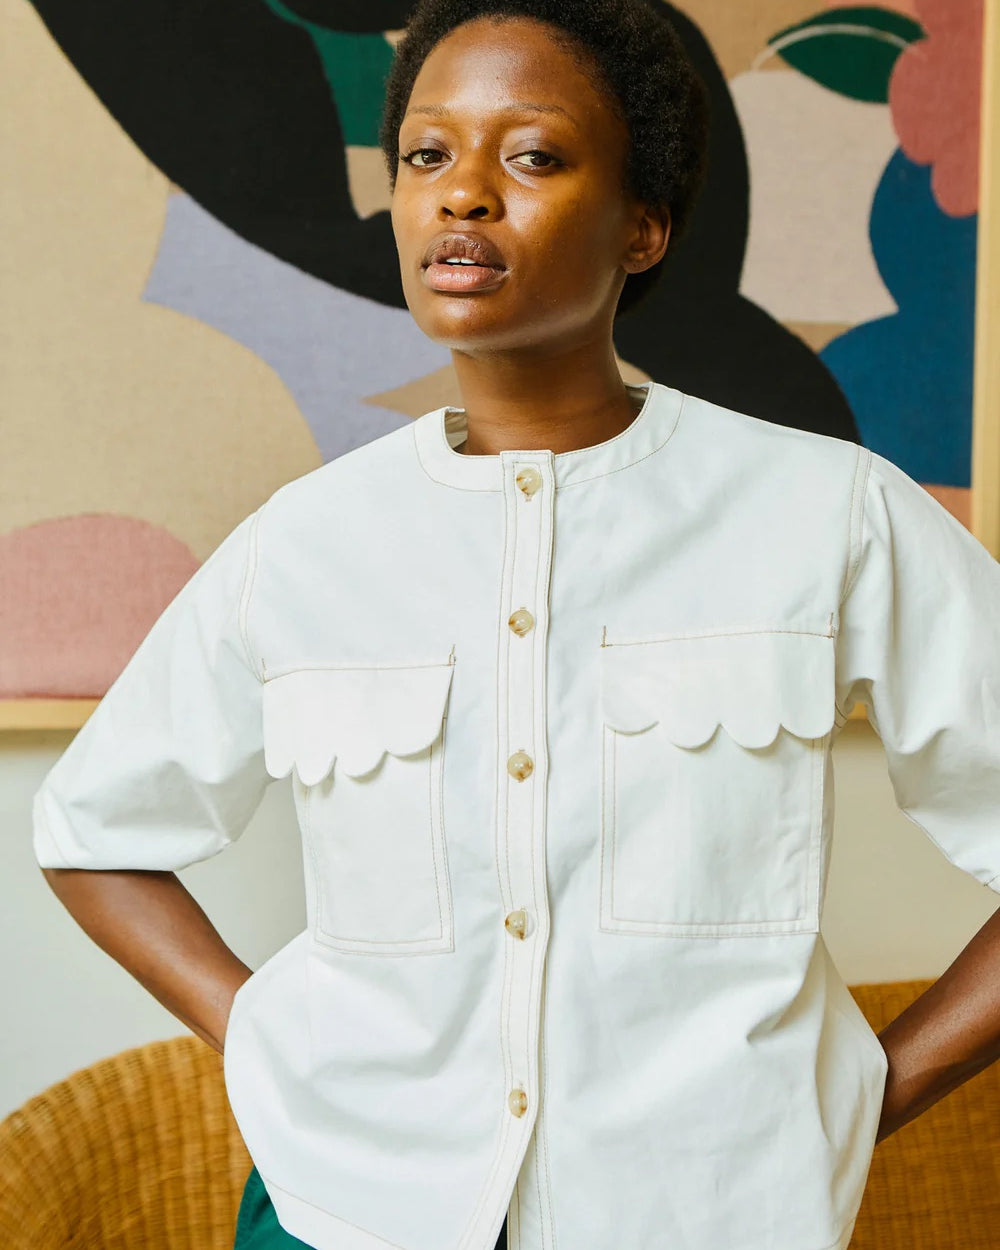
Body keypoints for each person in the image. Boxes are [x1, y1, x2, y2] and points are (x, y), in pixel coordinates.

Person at [32, 1, 1000, 1249]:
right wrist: (269, 1039)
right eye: (428, 156)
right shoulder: (304, 540)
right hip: (347, 1215)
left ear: (642, 226)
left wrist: (868, 1089)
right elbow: (92, 831)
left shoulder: (832, 512)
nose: (463, 197)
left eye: (532, 156)